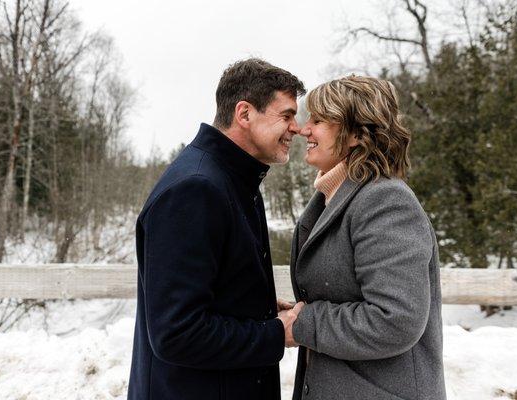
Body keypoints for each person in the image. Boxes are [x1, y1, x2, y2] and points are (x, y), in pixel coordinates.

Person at [127, 58, 306, 400]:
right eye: (286, 115)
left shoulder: (235, 179)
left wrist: (259, 308)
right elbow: (177, 332)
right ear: (244, 113)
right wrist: (273, 333)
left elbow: (207, 288)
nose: (296, 127)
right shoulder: (195, 189)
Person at [284, 76, 447, 400]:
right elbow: (344, 293)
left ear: (357, 134)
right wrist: (294, 310)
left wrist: (305, 324)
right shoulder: (335, 199)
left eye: (318, 120)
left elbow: (395, 319)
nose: (305, 129)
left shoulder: (385, 202)